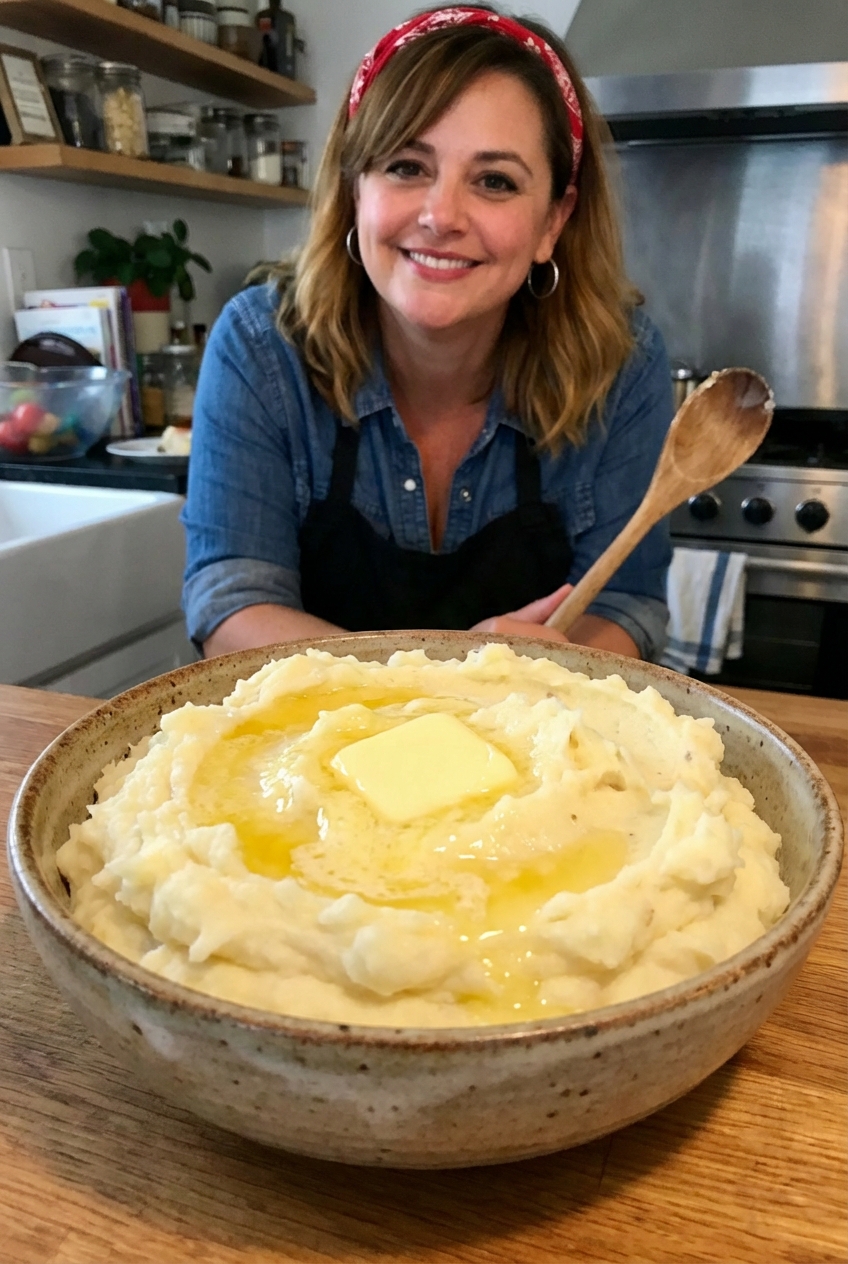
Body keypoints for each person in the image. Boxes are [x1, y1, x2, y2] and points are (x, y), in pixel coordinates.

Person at [182, 5, 673, 661]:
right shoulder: (260, 345)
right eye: (408, 167)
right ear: (355, 187)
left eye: (495, 181)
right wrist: (450, 684)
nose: (442, 217)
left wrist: (495, 692)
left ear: (553, 222)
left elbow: (626, 606)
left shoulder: (625, 364)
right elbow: (234, 600)